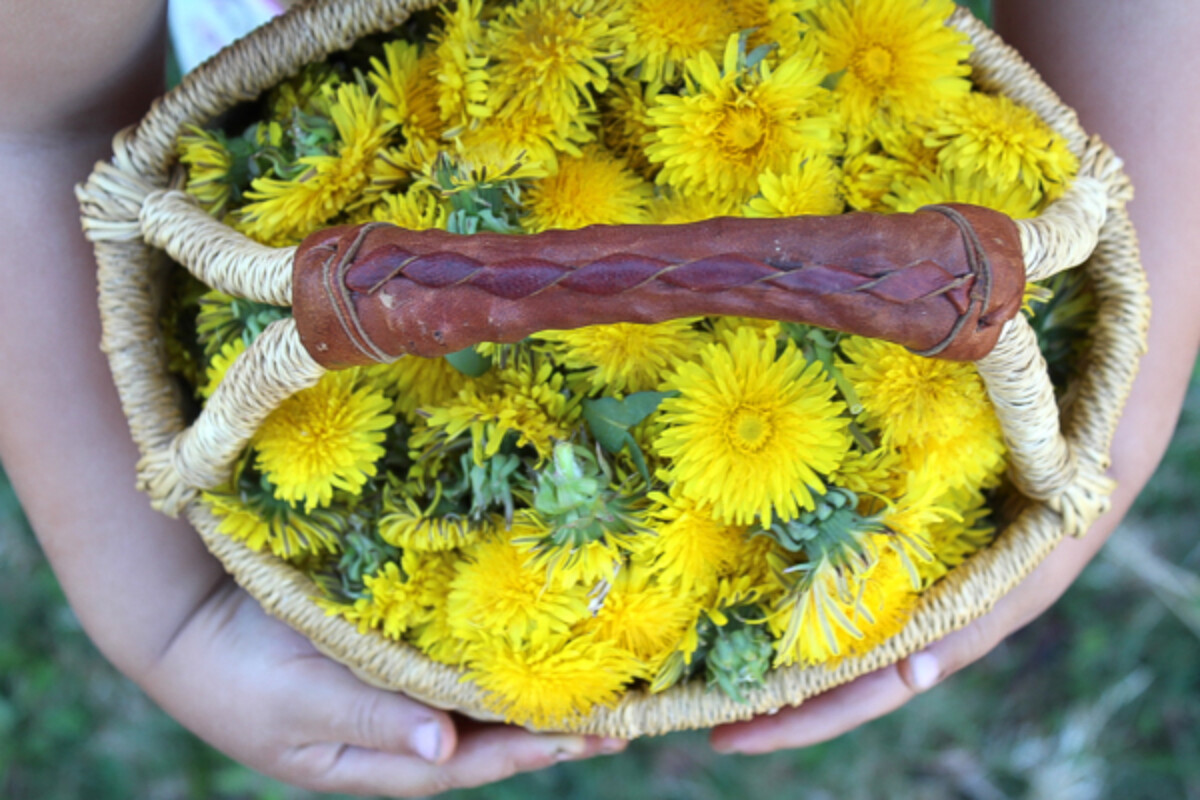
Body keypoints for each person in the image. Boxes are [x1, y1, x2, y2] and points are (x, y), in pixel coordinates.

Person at [0, 0, 1195, 795]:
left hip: (879, 236)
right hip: (345, 228)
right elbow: (31, 129)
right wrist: (167, 614)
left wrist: (1103, 438)